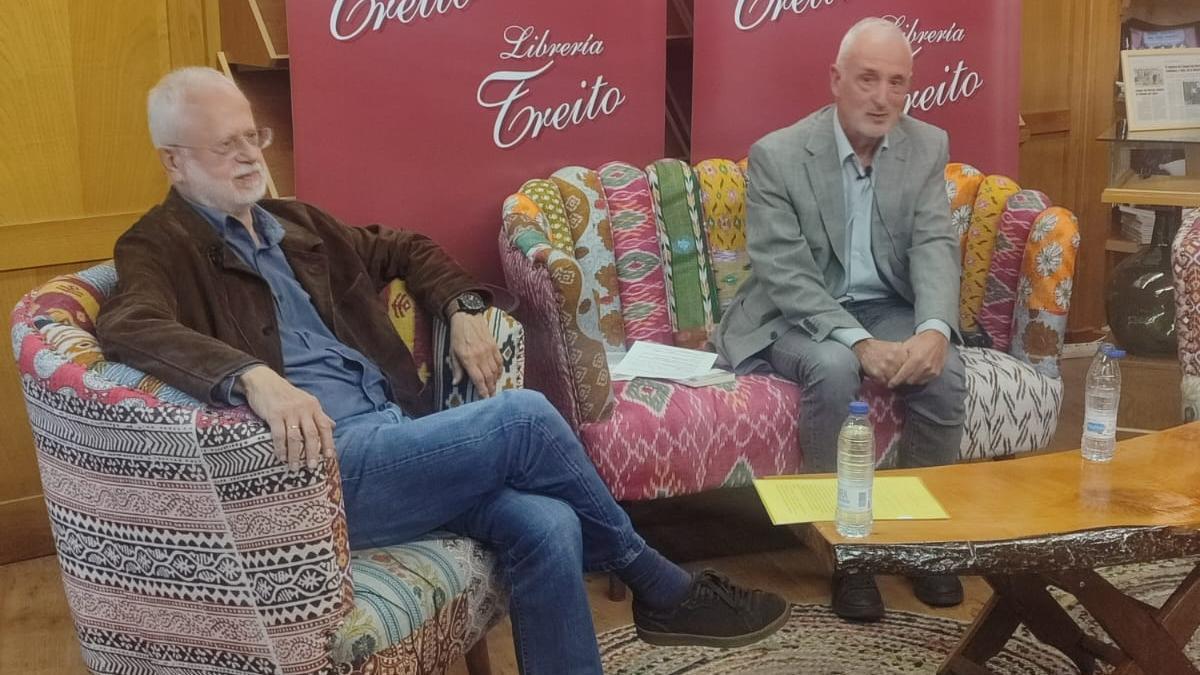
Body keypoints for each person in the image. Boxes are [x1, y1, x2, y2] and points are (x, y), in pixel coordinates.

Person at [96, 67, 790, 675]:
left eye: (254, 137)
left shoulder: (294, 226)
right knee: (522, 416)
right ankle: (658, 584)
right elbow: (129, 325)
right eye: (228, 146)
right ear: (175, 161)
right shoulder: (160, 246)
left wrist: (461, 308)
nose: (250, 156)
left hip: (395, 438)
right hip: (320, 471)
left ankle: (648, 596)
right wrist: (250, 374)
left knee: (548, 523)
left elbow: (405, 247)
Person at [713, 17, 967, 622]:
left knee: (947, 370)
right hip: (794, 311)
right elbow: (786, 273)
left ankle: (923, 546)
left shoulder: (927, 145)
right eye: (868, 79)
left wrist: (933, 327)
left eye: (898, 83)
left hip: (884, 303)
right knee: (831, 368)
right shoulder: (778, 155)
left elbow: (934, 243)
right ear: (836, 80)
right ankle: (846, 555)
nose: (883, 99)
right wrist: (858, 343)